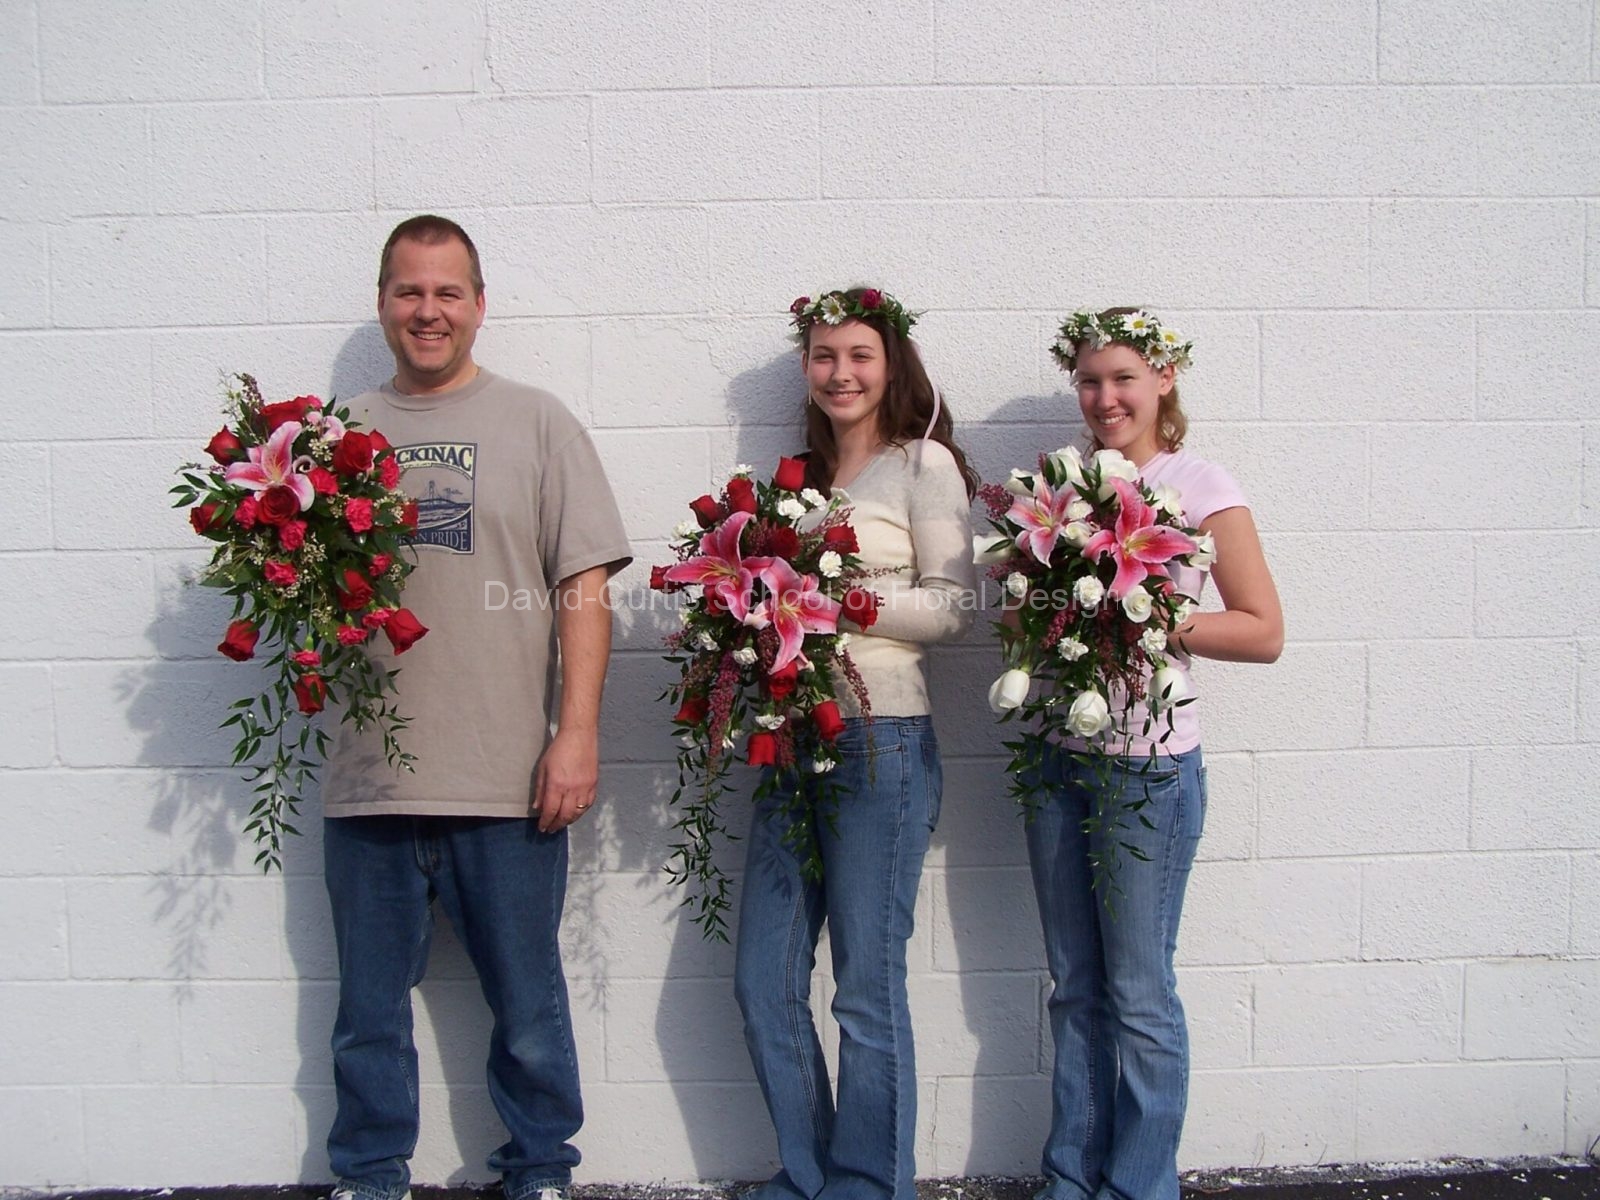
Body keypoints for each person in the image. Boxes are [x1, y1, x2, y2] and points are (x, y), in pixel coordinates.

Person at [318, 215, 632, 1200]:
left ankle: (540, 1171)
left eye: (447, 292)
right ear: (382, 303)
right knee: (368, 1016)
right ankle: (370, 1175)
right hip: (370, 780)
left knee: (528, 1010)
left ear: (479, 305)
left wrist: (575, 734)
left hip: (505, 780)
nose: (429, 311)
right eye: (409, 291)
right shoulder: (333, 435)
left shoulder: (537, 423)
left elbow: (585, 590)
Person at [1025, 308, 1284, 1200]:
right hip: (1058, 756)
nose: (1105, 398)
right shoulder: (1060, 484)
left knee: (1137, 992)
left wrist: (1146, 614)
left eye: (1124, 378)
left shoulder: (1200, 484)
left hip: (1148, 766)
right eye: (1090, 381)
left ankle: (1139, 1186)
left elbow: (1262, 630)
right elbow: (1025, 614)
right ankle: (1071, 1177)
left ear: (1163, 379)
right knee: (1074, 985)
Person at [733, 287, 978, 1200]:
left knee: (865, 988)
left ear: (891, 364)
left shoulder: (923, 464)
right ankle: (809, 1175)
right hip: (792, 737)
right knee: (763, 981)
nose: (841, 372)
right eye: (824, 355)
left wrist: (835, 601)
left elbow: (953, 608)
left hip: (882, 738)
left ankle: (870, 1187)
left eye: (859, 355)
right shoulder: (799, 479)